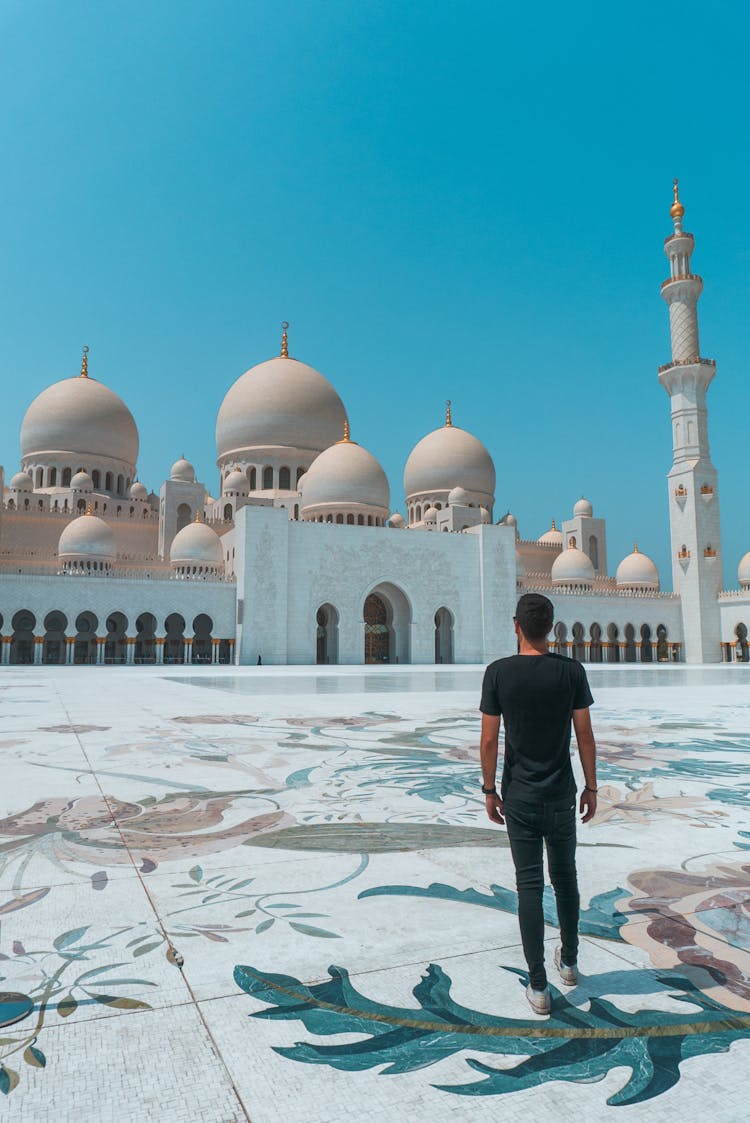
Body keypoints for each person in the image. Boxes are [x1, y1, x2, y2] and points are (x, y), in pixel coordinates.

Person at [479, 592, 597, 1015]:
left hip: (520, 797)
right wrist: (592, 787)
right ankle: (568, 961)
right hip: (562, 794)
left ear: (516, 626)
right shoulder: (571, 672)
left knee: (529, 886)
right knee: (565, 878)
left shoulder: (498, 673)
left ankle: (539, 984)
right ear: (551, 627)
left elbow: (490, 738)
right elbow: (584, 734)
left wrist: (489, 790)